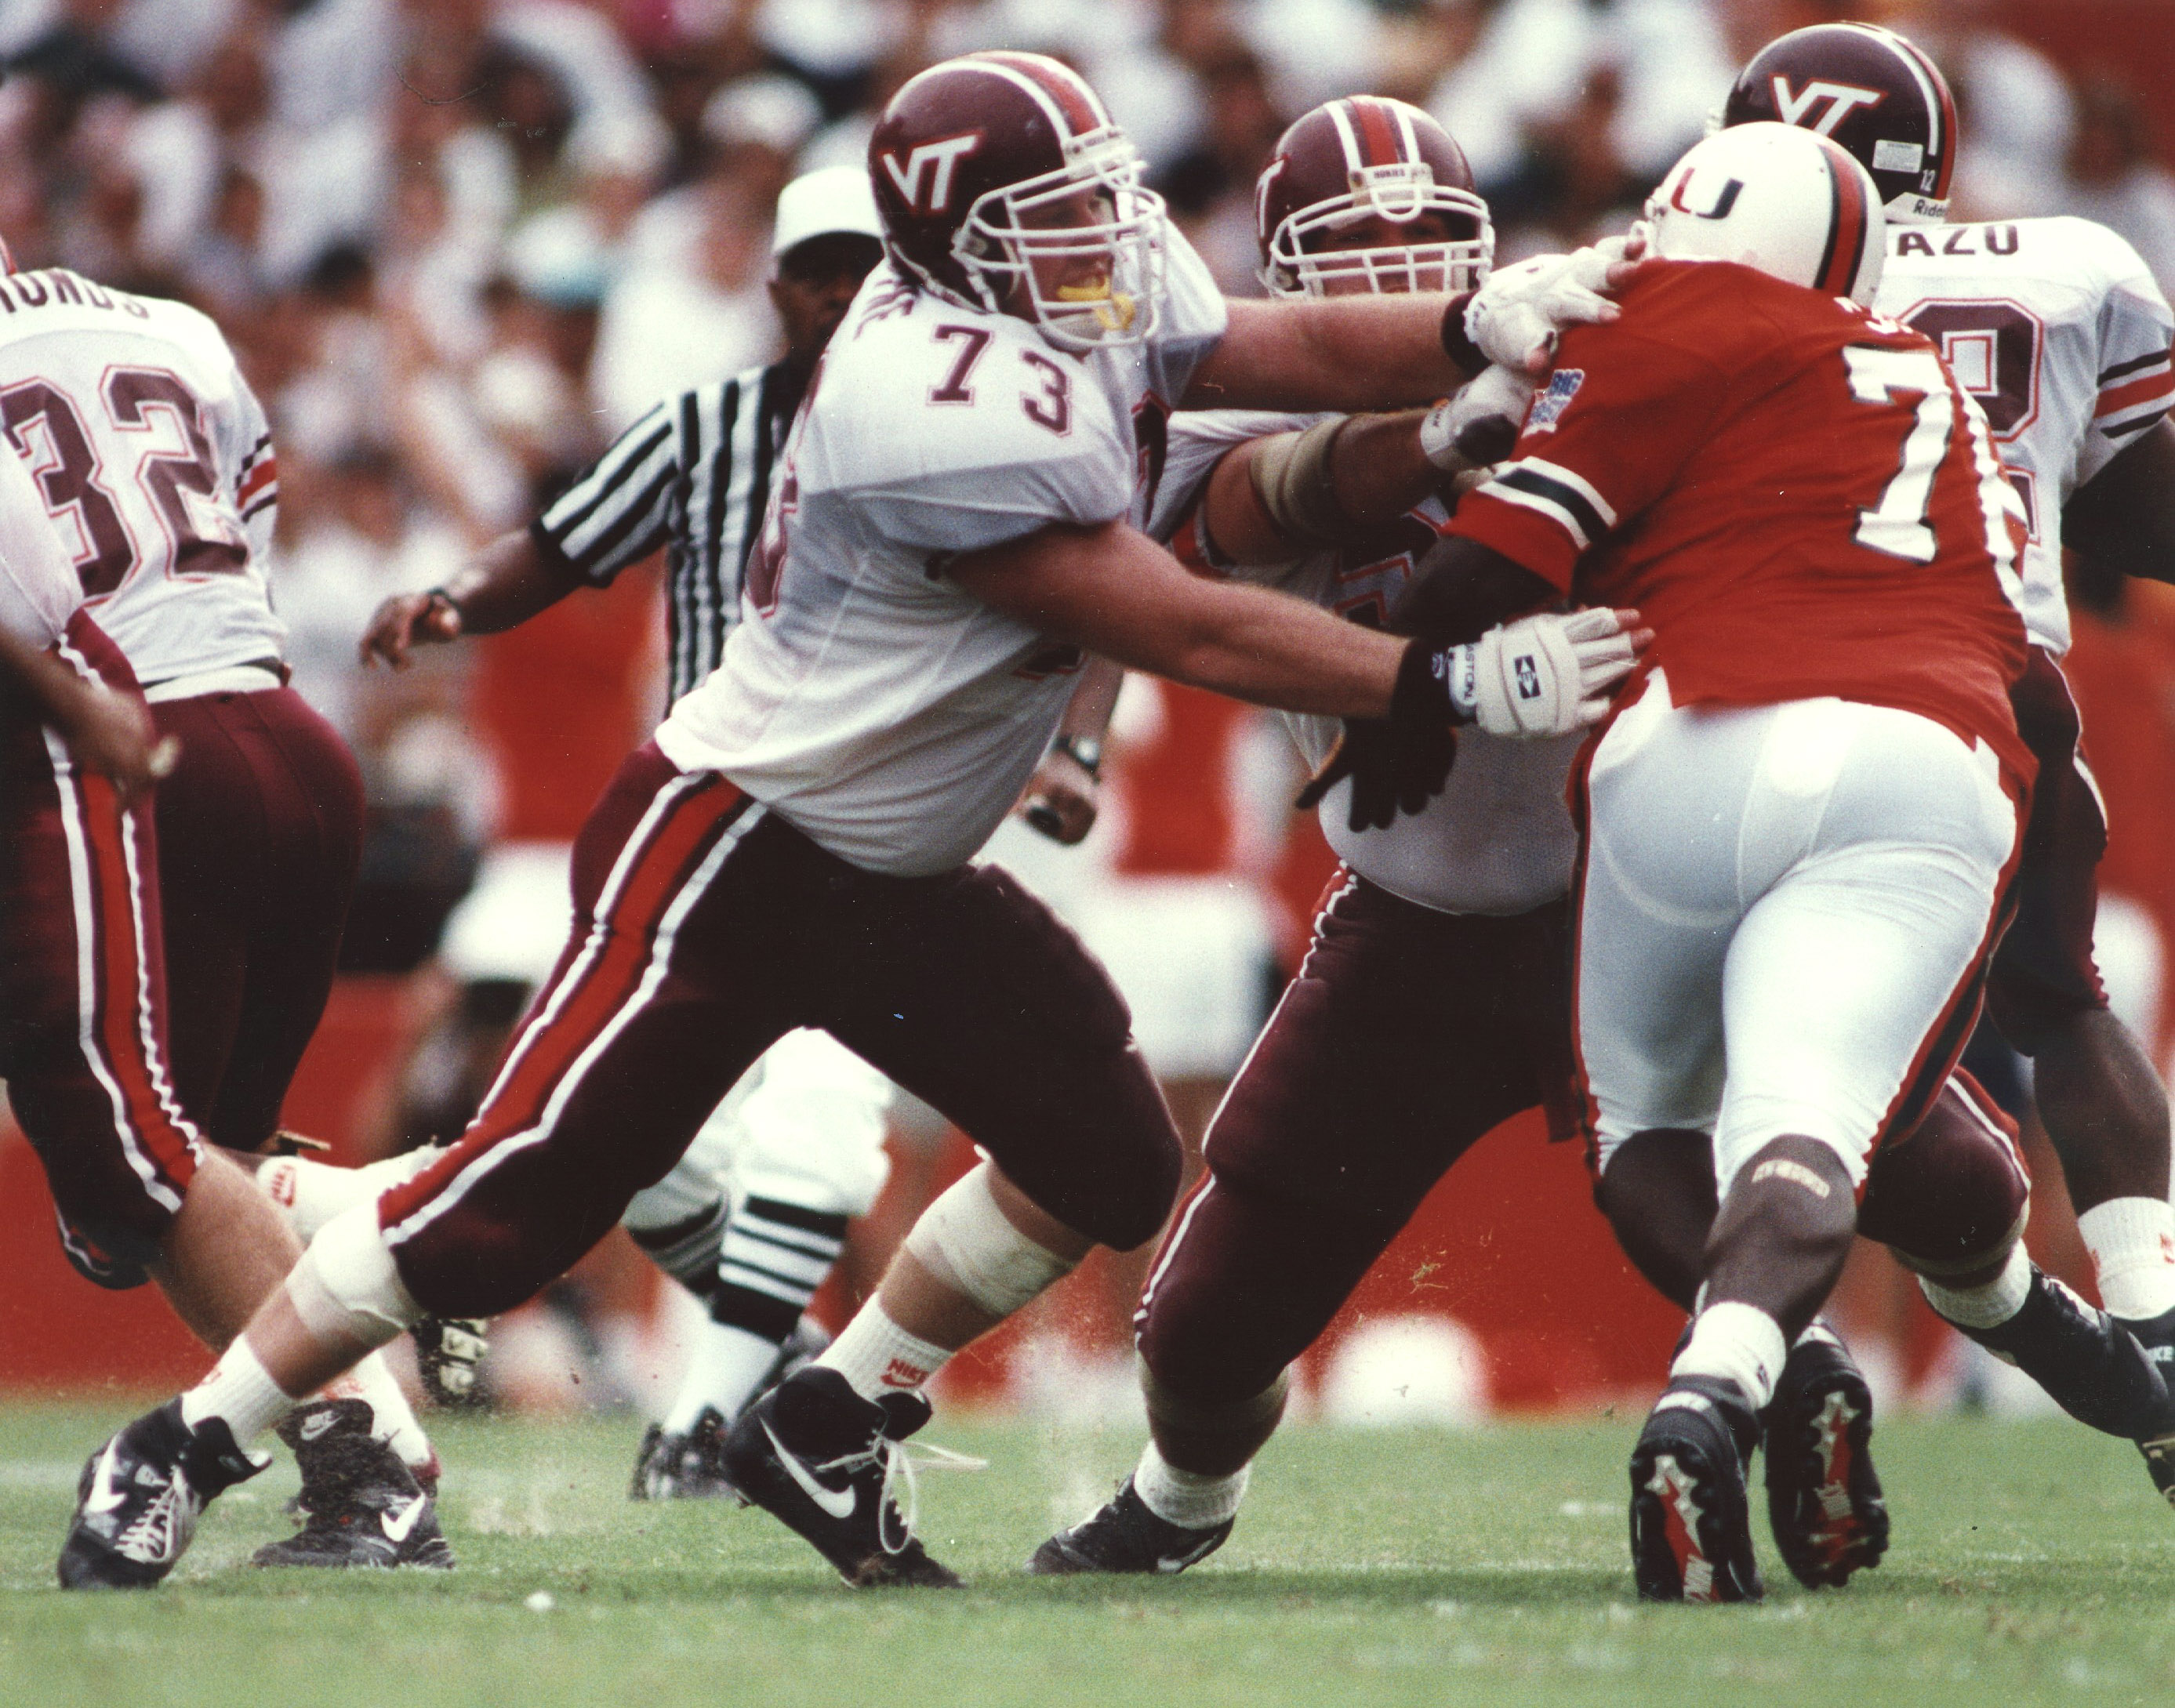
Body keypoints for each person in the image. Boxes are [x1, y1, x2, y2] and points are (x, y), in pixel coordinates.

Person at [58, 49, 1641, 1592]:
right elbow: (1174, 619)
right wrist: (1439, 680)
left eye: (1103, 206)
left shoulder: (1064, 278)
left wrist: (1457, 327)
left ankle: (829, 1414)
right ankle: (182, 1446)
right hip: (739, 844)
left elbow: (1242, 345)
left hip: (902, 867)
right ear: (957, 249)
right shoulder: (917, 394)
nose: (1104, 245)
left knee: (1104, 1150)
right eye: (1057, 220)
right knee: (498, 1218)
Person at [1393, 120, 2173, 1604]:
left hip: (1687, 745)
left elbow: (1474, 578)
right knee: (1809, 1128)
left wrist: (1414, 625)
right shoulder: (1937, 377)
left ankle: (1769, 1365)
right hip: (1928, 761)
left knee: (1643, 1129)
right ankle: (1719, 1391)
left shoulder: (1659, 322)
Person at [1593, 20, 2175, 1589]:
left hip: (1733, 700)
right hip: (2000, 697)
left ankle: (1751, 1378)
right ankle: (2149, 1327)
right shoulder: (2064, 260)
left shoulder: (1684, 286)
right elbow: (2136, 500)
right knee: (2053, 1000)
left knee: (1719, 1101)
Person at [1031, 94, 1637, 1576]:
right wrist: (1442, 423)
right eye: (1353, 255)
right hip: (1409, 931)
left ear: (1489, 255)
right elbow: (1264, 499)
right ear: (1286, 279)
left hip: (1635, 893)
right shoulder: (1238, 395)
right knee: (1201, 1326)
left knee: (1836, 1166)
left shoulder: (1597, 360)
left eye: (1431, 250)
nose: (1396, 281)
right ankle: (1183, 1501)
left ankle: (2062, 1324)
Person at [356, 165, 901, 1499]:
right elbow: (550, 537)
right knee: (632, 1130)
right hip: (701, 817)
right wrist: (453, 595)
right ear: (774, 291)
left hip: (875, 821)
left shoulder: (960, 434)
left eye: (863, 269)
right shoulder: (698, 434)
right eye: (817, 270)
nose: (840, 295)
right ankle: (789, 1369)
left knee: (822, 1108)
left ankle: (721, 1408)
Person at [0, 257, 452, 1576]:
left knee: (137, 1173)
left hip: (130, 764)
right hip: (291, 737)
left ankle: (373, 1446)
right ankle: (390, 1237)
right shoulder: (170, 325)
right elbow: (242, 522)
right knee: (207, 1166)